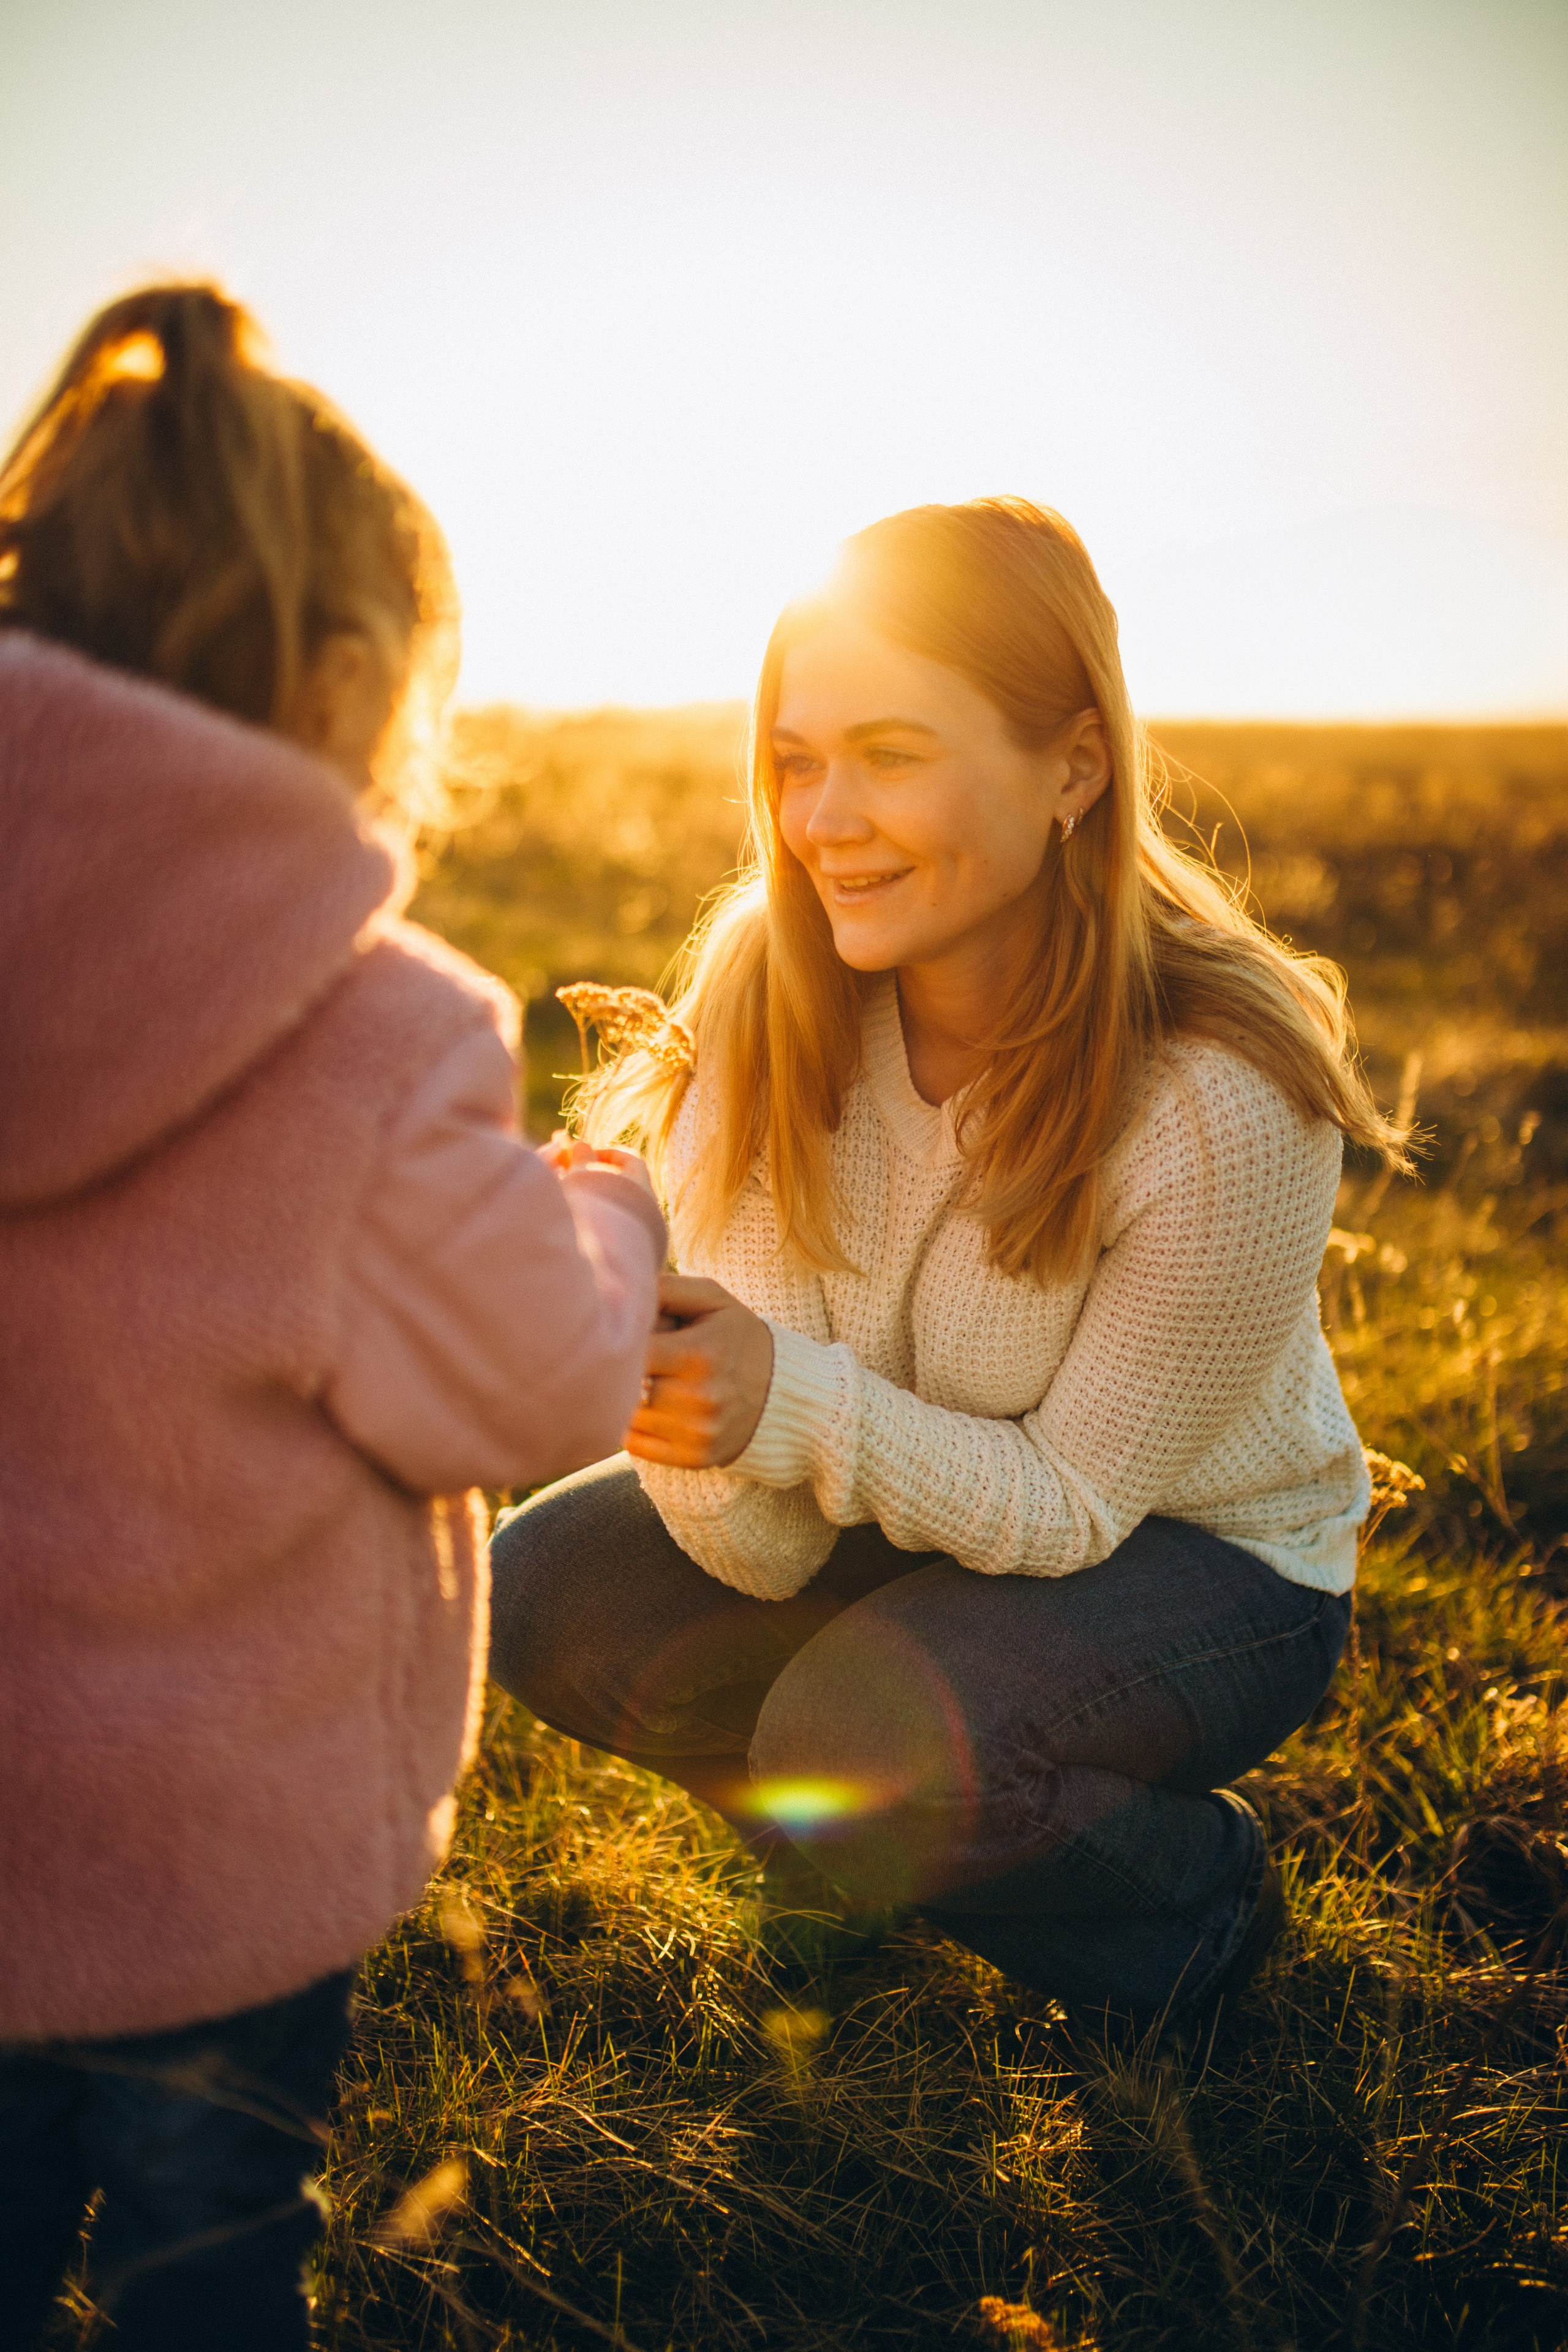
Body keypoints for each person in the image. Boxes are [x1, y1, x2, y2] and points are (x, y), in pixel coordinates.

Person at [489, 496, 1407, 2049]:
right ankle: (876, 1854)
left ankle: (1195, 1911)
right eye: (793, 761)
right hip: (903, 1511)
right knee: (554, 1585)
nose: (821, 819)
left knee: (867, 1742)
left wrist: (781, 1405)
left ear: (1072, 765)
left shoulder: (1223, 1095)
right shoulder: (771, 1000)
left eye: (892, 754)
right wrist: (676, 1373)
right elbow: (760, 1555)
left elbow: (1065, 1507)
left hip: (1196, 1556)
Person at [0, 284, 663, 2350]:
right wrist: (612, 1210)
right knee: (216, 2258)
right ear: (354, 679)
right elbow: (542, 1369)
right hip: (223, 1870)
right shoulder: (371, 1042)